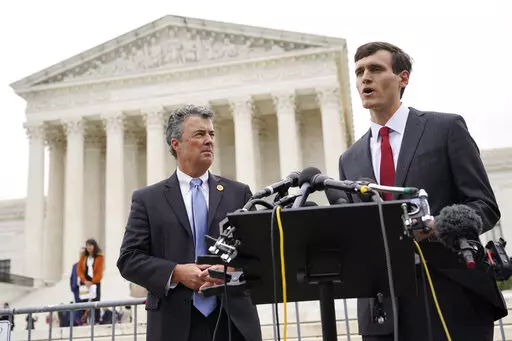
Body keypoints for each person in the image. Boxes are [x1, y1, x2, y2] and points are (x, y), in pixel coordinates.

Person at [336, 41, 507, 340]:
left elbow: (484, 205)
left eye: (376, 69)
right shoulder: (349, 159)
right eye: (359, 71)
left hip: (451, 296)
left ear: (403, 78)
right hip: (382, 308)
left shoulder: (446, 128)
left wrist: (438, 226)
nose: (365, 77)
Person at [117, 104, 262, 341]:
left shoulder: (239, 194)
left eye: (211, 134)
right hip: (174, 324)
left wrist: (229, 269)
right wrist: (175, 272)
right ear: (176, 144)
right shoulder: (148, 200)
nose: (209, 141)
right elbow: (129, 259)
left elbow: (257, 254)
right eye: (199, 134)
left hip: (233, 322)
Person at [77, 239, 104, 324]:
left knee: (95, 302)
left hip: (95, 282)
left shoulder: (99, 257)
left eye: (90, 245)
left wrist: (92, 282)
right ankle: (84, 321)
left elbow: (99, 272)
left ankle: (96, 321)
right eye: (87, 245)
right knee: (84, 302)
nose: (89, 247)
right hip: (85, 283)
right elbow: (79, 270)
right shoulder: (83, 256)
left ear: (94, 246)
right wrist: (84, 281)